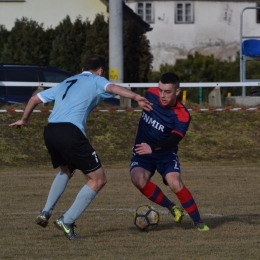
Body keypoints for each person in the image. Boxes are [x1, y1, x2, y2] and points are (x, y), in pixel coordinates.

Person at [9, 55, 153, 240]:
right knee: (98, 180)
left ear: (83, 67)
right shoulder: (96, 80)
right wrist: (136, 96)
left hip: (51, 131)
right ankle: (67, 220)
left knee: (66, 170)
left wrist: (24, 120)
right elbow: (113, 88)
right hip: (70, 132)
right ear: (100, 71)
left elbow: (34, 99)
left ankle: (45, 212)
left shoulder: (67, 81)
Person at [130, 72, 210, 231]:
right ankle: (172, 207)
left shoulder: (182, 115)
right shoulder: (151, 93)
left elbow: (173, 140)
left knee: (175, 183)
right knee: (137, 179)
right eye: (160, 90)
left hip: (165, 153)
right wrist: (137, 100)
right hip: (142, 151)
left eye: (167, 92)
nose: (162, 95)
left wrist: (152, 148)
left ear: (177, 92)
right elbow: (136, 96)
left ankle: (198, 221)